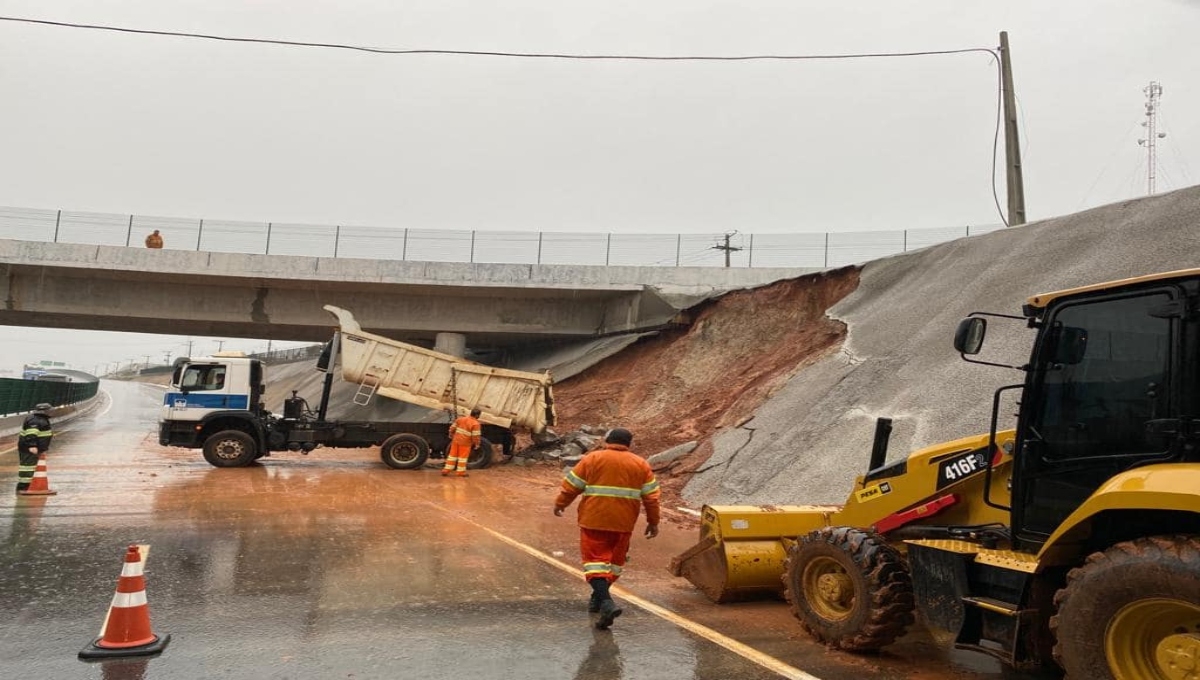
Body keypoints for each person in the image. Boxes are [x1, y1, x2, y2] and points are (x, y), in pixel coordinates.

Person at [554, 427, 660, 629]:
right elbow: (652, 498)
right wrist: (653, 522)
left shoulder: (593, 459)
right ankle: (598, 599)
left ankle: (606, 602)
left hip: (594, 520)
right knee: (613, 565)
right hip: (623, 523)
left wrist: (560, 504)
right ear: (628, 444)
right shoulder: (641, 464)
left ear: (607, 440)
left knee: (595, 563)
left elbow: (571, 486)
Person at [16, 403, 54, 493]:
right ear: (44, 411)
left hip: (33, 448)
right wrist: (32, 446)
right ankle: (23, 487)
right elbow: (31, 434)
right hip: (29, 449)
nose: (51, 412)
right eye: (50, 410)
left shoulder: (40, 419)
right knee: (27, 468)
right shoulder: (36, 421)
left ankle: (26, 486)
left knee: (30, 467)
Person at [442, 407, 481, 477]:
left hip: (456, 441)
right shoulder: (476, 424)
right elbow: (476, 436)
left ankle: (446, 470)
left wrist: (451, 434)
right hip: (465, 443)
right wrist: (477, 444)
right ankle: (460, 472)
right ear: (477, 415)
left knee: (452, 456)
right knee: (462, 458)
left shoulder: (461, 419)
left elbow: (452, 428)